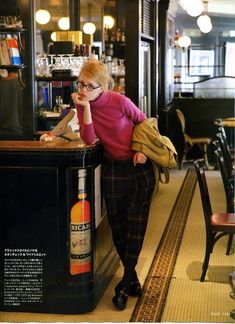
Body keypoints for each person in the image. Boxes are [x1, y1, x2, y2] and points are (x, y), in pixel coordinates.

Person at [71, 59, 155, 310]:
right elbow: (88, 138)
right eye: (81, 83)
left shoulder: (120, 101)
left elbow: (145, 123)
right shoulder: (82, 104)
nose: (83, 89)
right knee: (118, 227)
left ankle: (124, 284)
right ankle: (133, 278)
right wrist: (84, 107)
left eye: (90, 85)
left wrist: (142, 150)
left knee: (135, 228)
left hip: (138, 168)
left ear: (103, 86)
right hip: (112, 170)